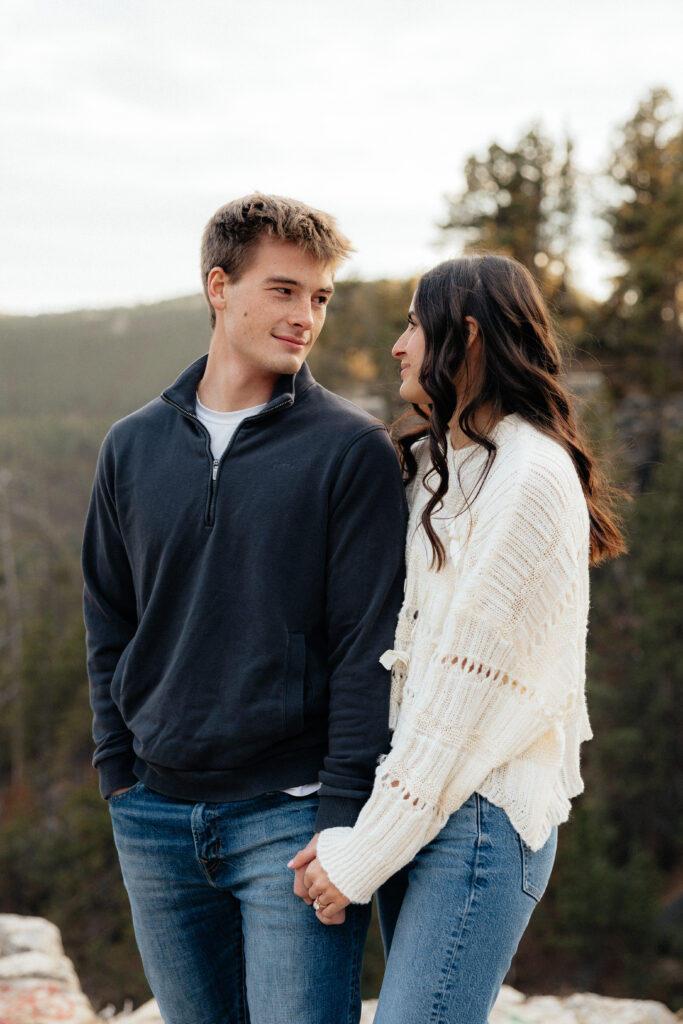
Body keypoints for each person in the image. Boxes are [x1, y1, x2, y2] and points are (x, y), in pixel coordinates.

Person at [82, 193, 407, 1024]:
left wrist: (340, 819)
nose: (307, 316)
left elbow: (368, 646)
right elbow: (109, 618)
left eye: (320, 297)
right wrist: (119, 772)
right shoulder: (131, 446)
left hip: (290, 822)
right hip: (153, 817)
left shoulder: (350, 450)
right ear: (218, 287)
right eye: (285, 290)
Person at [290, 254, 625, 1023]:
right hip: (425, 807)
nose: (399, 346)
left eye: (413, 324)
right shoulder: (452, 465)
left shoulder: (528, 479)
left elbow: (457, 700)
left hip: (474, 819)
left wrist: (362, 853)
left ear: (465, 336)